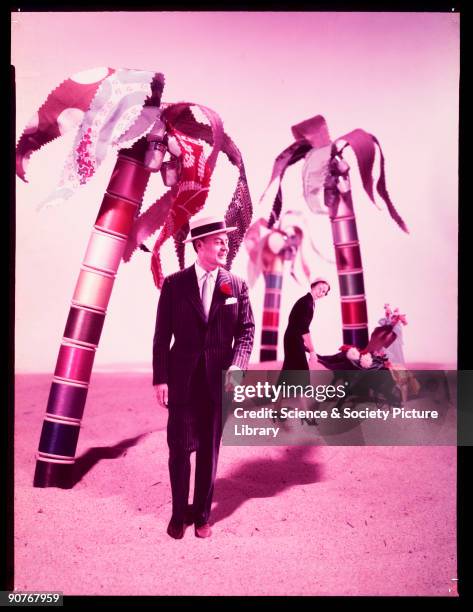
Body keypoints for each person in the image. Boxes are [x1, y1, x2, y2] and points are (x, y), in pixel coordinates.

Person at [153, 215, 255, 539]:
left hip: (217, 383)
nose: (225, 243)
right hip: (181, 381)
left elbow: (247, 331)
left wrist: (238, 366)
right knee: (179, 451)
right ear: (199, 245)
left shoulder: (236, 285)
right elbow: (161, 336)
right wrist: (160, 378)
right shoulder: (174, 284)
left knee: (210, 453)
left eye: (226, 239)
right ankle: (177, 514)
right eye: (217, 239)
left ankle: (202, 515)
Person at [281, 278, 330, 376]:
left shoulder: (310, 301)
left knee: (291, 369)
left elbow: (302, 327)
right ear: (313, 286)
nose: (321, 292)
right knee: (301, 371)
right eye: (319, 288)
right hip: (293, 339)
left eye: (324, 291)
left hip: (293, 338)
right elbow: (304, 329)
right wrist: (312, 351)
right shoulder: (307, 303)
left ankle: (279, 391)